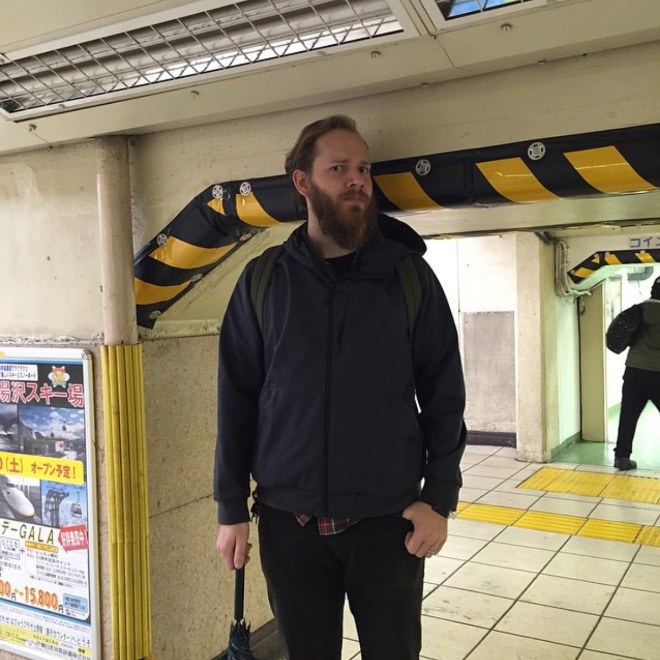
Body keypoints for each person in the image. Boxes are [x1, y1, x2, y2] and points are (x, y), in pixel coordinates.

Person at [214, 115, 466, 660]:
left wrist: (439, 498)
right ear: (303, 183)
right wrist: (230, 507)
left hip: (388, 524)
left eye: (364, 169)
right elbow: (236, 400)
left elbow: (445, 395)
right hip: (289, 524)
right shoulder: (264, 280)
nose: (357, 180)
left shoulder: (407, 278)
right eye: (339, 169)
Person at [613, 276, 660, 470]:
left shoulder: (638, 310)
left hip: (633, 372)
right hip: (657, 373)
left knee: (628, 416)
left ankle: (622, 457)